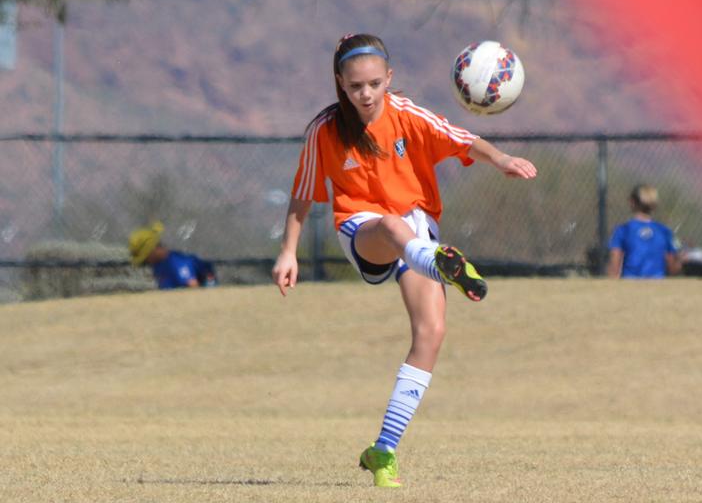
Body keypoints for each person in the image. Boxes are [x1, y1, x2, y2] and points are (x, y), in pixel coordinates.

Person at [271, 33, 537, 488]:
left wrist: (501, 159)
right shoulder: (325, 130)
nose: (366, 94)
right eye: (356, 86)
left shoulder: (407, 114)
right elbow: (302, 193)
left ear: (389, 78)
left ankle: (384, 450)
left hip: (418, 229)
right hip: (364, 231)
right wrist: (288, 251)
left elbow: (463, 140)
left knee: (431, 333)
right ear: (340, 83)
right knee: (394, 228)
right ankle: (438, 263)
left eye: (375, 84)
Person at [607, 184, 683, 278]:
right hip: (657, 284)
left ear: (632, 202)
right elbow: (673, 267)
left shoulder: (623, 230)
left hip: (629, 284)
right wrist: (680, 259)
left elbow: (614, 267)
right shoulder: (664, 231)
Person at [128, 221, 218, 289]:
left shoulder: (177, 263)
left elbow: (194, 288)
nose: (147, 262)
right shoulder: (158, 265)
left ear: (153, 250)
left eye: (146, 258)